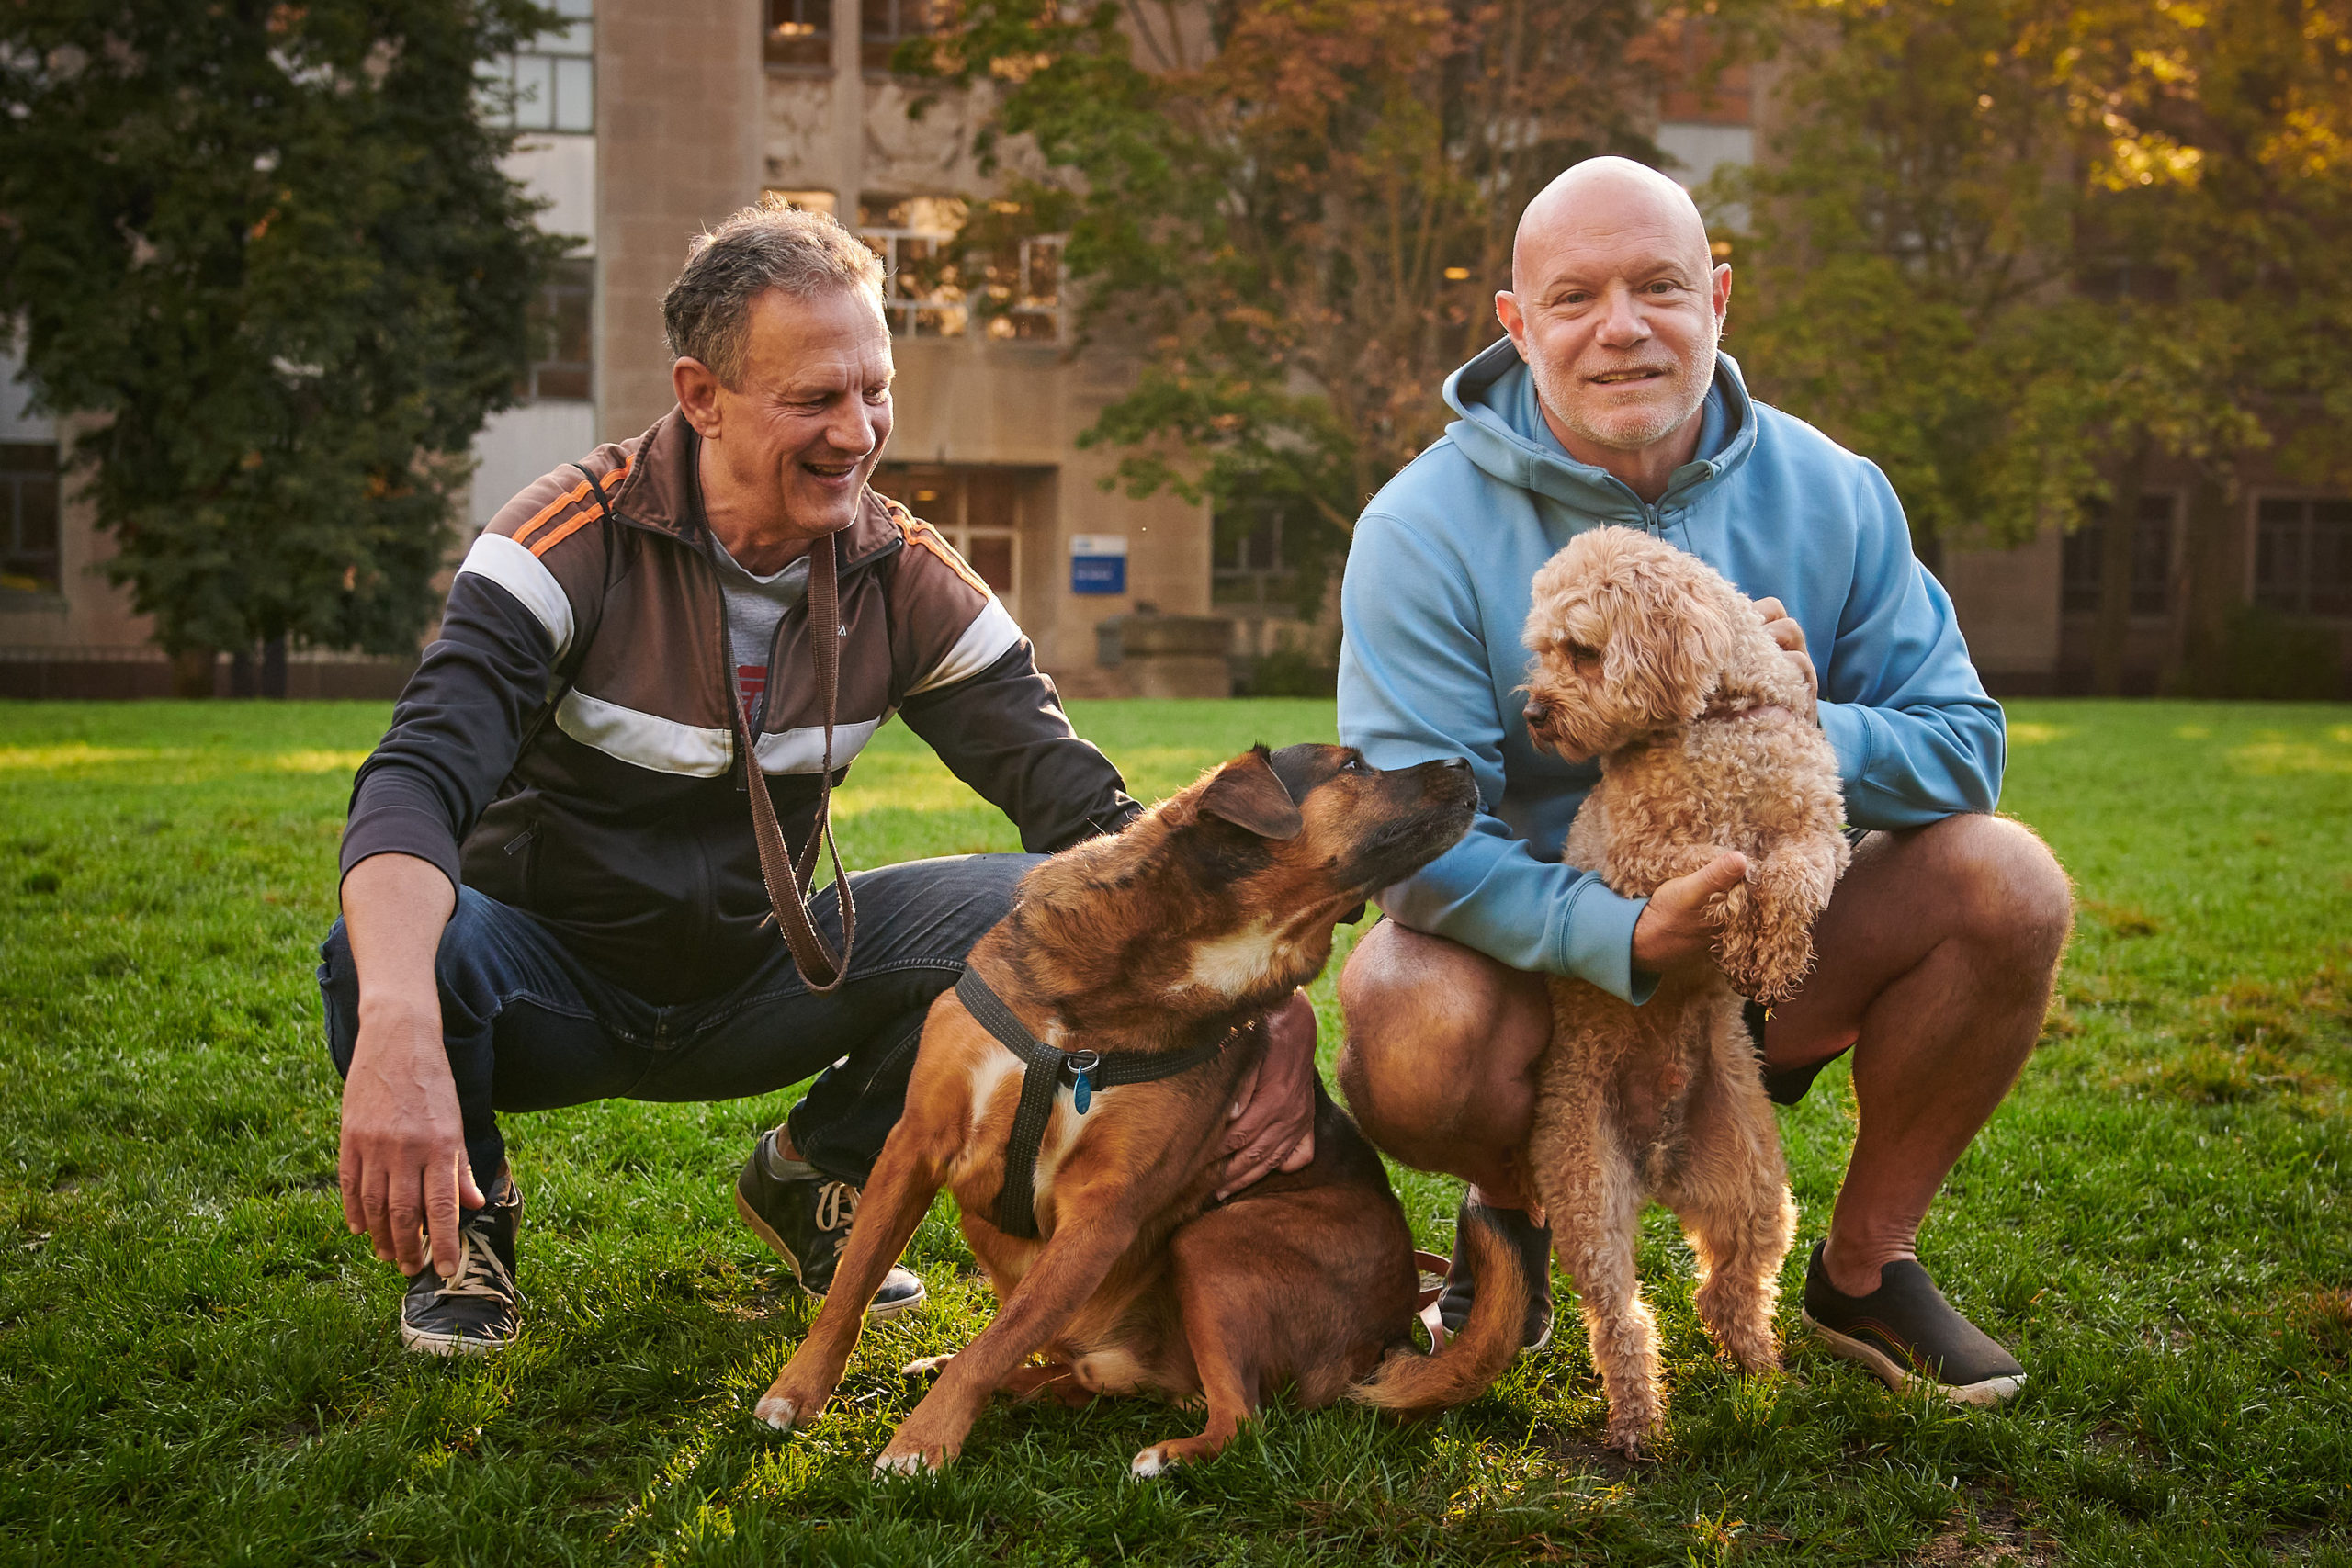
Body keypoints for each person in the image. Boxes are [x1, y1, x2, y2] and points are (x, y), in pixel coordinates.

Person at [322, 199, 1316, 1356]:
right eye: (815, 399)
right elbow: (413, 781)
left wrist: (1262, 990)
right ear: (702, 397)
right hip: (551, 987)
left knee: (1036, 903)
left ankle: (814, 1173)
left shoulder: (903, 570)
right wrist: (397, 1023)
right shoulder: (565, 540)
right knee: (382, 948)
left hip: (765, 979)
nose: (859, 432)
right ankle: (471, 1223)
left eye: (875, 390)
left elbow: (1091, 815)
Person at [1334, 158, 2072, 1403]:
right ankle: (1512, 1215)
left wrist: (1783, 715)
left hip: (1783, 933)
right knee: (1408, 1011)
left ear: (1717, 298)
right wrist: (1620, 930)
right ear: (1518, 324)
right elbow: (1421, 833)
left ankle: (1864, 1263)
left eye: (1659, 286)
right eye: (1575, 297)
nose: (1621, 327)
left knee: (2010, 879)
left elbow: (1964, 743)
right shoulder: (1418, 527)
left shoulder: (1835, 488)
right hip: (1549, 975)